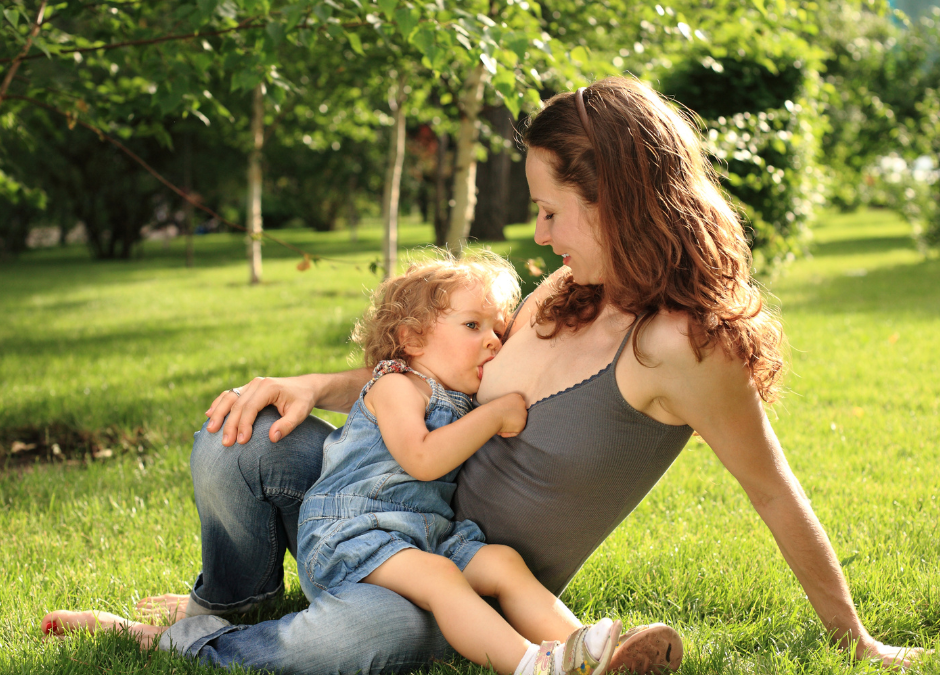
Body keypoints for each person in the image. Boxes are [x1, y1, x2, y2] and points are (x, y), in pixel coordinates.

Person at [43, 76, 927, 673]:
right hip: (385, 500)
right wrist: (312, 387)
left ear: (615, 201)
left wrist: (856, 638)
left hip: (459, 572)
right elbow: (431, 380)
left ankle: (188, 640)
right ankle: (231, 603)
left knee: (366, 631)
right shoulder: (565, 289)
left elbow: (776, 492)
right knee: (233, 439)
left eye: (550, 209)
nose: (539, 234)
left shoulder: (682, 349)